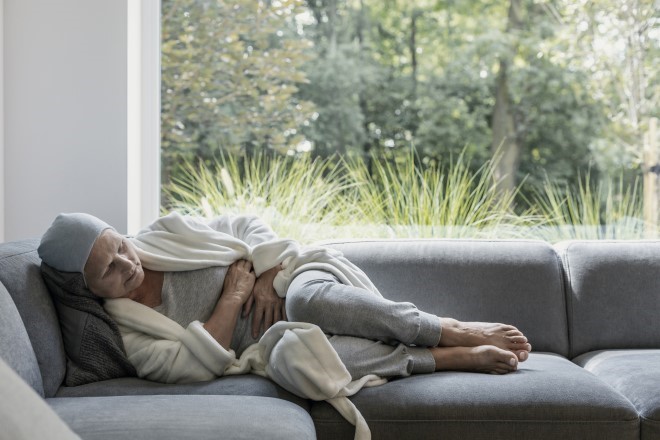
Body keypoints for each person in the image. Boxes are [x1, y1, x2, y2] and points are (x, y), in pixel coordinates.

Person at [38, 212, 531, 386]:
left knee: (306, 304)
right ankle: (440, 359)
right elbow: (188, 367)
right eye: (109, 268)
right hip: (264, 341)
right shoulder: (128, 332)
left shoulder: (164, 233)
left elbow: (247, 223)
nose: (129, 264)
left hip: (297, 283)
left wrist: (268, 268)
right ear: (85, 287)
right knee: (299, 351)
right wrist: (232, 299)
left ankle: (443, 329)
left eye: (120, 247)